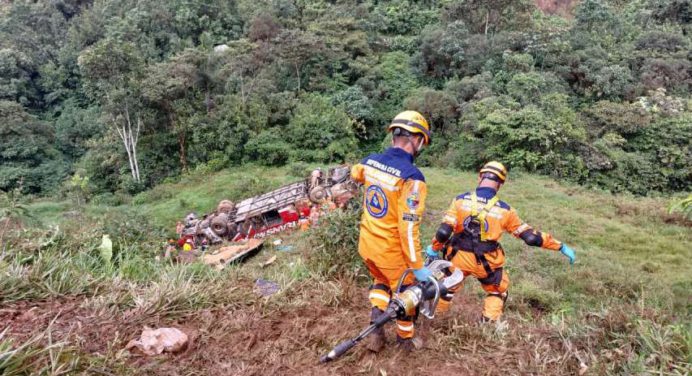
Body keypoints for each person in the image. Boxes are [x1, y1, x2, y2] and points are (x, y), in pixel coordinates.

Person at [426, 161, 577, 322]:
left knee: (448, 286)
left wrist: (434, 249)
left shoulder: (459, 200)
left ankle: (436, 319)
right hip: (487, 263)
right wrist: (560, 246)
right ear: (501, 184)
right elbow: (531, 237)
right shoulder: (506, 210)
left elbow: (444, 231)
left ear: (480, 176)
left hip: (457, 258)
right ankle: (487, 326)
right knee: (497, 292)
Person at [350, 110, 432, 352]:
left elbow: (355, 173)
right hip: (392, 253)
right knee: (408, 293)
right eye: (421, 142)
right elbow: (407, 230)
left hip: (367, 246)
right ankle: (405, 340)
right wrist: (417, 267)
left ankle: (376, 333)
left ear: (394, 135)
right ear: (416, 140)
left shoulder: (370, 161)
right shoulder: (412, 178)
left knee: (381, 283)